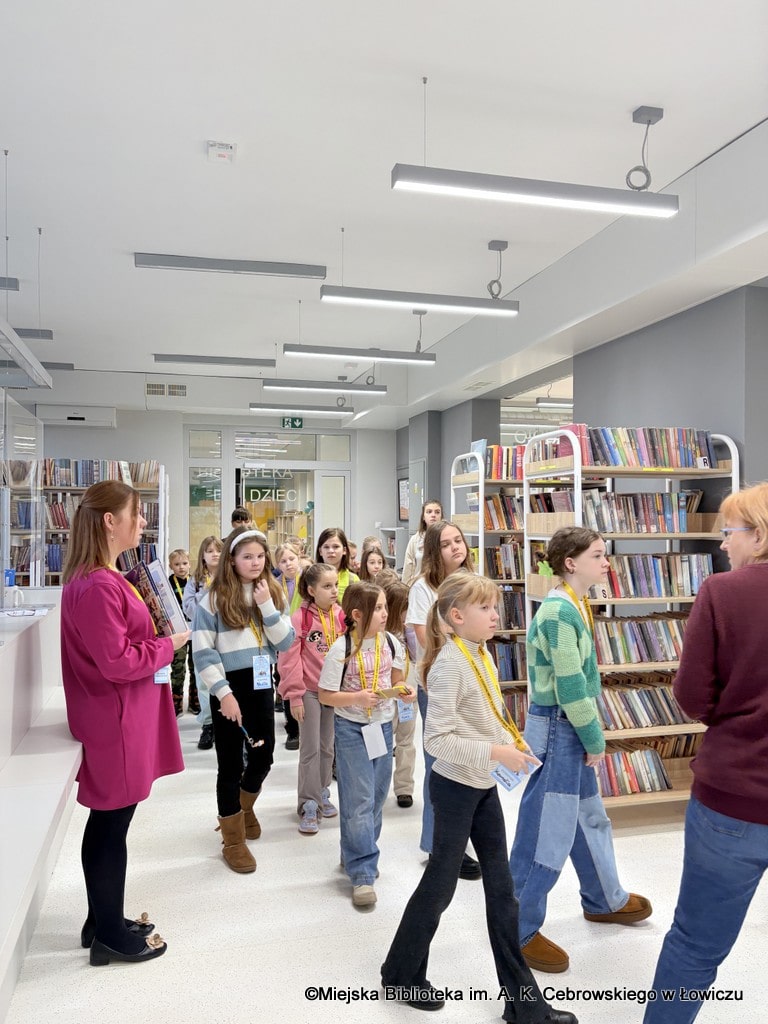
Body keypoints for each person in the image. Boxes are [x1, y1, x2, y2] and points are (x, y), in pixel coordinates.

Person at [381, 573, 577, 1024]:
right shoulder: (450, 664)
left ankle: (524, 1006)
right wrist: (495, 752)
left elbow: (487, 714)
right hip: (455, 789)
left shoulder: (481, 653)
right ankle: (400, 973)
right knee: (440, 887)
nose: (495, 615)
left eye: (495, 606)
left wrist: (510, 743)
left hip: (482, 786)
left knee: (502, 893)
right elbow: (437, 740)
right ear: (456, 616)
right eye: (485, 608)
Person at [644, 483, 768, 1023]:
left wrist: (734, 715)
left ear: (758, 535)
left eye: (728, 532)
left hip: (732, 799)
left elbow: (693, 696)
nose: (722, 544)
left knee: (695, 945)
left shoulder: (721, 593)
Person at [510, 526, 651, 974]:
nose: (606, 562)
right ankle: (517, 928)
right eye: (598, 555)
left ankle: (603, 899)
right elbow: (570, 687)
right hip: (561, 727)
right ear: (570, 563)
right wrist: (594, 738)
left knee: (588, 817)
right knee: (545, 829)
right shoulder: (558, 612)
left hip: (571, 725)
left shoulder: (576, 603)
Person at [60, 480, 189, 966]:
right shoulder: (97, 585)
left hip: (117, 713)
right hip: (113, 718)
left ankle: (102, 919)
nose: (143, 522)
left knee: (112, 822)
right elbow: (116, 661)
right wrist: (167, 645)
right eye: (136, 513)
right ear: (109, 521)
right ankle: (109, 934)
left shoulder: (102, 579)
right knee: (111, 825)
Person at [192, 528, 295, 873]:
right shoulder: (212, 599)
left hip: (261, 681)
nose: (255, 563)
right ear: (231, 560)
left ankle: (243, 806)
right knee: (230, 764)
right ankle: (232, 840)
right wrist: (224, 694)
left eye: (260, 556)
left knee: (264, 755)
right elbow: (203, 653)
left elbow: (285, 642)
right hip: (228, 686)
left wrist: (266, 606)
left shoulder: (271, 591)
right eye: (247, 556)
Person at [319, 582, 417, 907]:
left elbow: (397, 680)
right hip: (351, 729)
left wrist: (403, 691)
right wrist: (357, 698)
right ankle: (362, 870)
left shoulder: (391, 642)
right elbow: (326, 695)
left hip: (382, 727)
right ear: (357, 615)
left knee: (375, 796)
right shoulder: (341, 649)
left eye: (385, 607)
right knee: (358, 798)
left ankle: (355, 850)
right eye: (377, 609)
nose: (385, 613)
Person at [407, 518, 481, 880]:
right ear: (434, 552)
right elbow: (425, 635)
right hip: (439, 682)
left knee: (468, 761)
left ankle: (460, 841)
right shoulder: (423, 588)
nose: (456, 547)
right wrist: (458, 638)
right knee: (439, 763)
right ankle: (438, 846)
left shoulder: (472, 582)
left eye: (459, 541)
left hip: (472, 681)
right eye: (447, 543)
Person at [278, 562, 345, 834]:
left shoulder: (341, 616)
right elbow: (289, 660)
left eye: (335, 585)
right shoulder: (300, 619)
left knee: (328, 747)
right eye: (327, 586)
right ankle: (308, 803)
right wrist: (294, 696)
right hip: (307, 690)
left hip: (333, 692)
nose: (334, 591)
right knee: (310, 749)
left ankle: (322, 791)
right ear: (311, 590)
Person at [379, 578, 417, 809]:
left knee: (406, 742)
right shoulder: (381, 637)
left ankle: (404, 788)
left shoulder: (411, 632)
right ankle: (379, 786)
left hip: (407, 697)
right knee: (382, 743)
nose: (409, 613)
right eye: (405, 608)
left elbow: (420, 657)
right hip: (385, 698)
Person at [183, 536, 223, 750]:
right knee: (204, 681)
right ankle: (208, 724)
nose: (214, 554)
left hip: (225, 637)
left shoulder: (230, 577)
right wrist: (206, 595)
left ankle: (225, 721)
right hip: (202, 637)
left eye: (218, 550)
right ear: (203, 556)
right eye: (209, 551)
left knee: (225, 680)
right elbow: (188, 608)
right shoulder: (195, 581)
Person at [273, 542, 303, 749]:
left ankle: (305, 724)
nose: (288, 563)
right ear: (277, 565)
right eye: (283, 561)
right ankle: (292, 729)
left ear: (299, 557)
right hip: (284, 640)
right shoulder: (275, 585)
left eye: (291, 559)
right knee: (285, 681)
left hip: (305, 639)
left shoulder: (308, 580)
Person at [168, 547, 199, 717]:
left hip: (195, 629)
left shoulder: (195, 583)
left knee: (196, 666)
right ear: (171, 566)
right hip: (177, 631)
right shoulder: (167, 584)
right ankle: (176, 700)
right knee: (178, 667)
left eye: (184, 563)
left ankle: (195, 700)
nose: (181, 567)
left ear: (189, 564)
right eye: (177, 564)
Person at [402, 498, 444, 585]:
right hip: (419, 586)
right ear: (423, 517)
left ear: (441, 517)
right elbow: (408, 568)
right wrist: (405, 589)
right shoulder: (415, 540)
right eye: (429, 512)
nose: (433, 515)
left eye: (437, 512)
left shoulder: (446, 538)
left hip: (441, 586)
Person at [315, 527, 359, 602]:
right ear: (320, 551)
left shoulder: (353, 580)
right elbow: (299, 608)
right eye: (326, 547)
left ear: (344, 550)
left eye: (336, 547)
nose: (331, 551)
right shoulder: (310, 577)